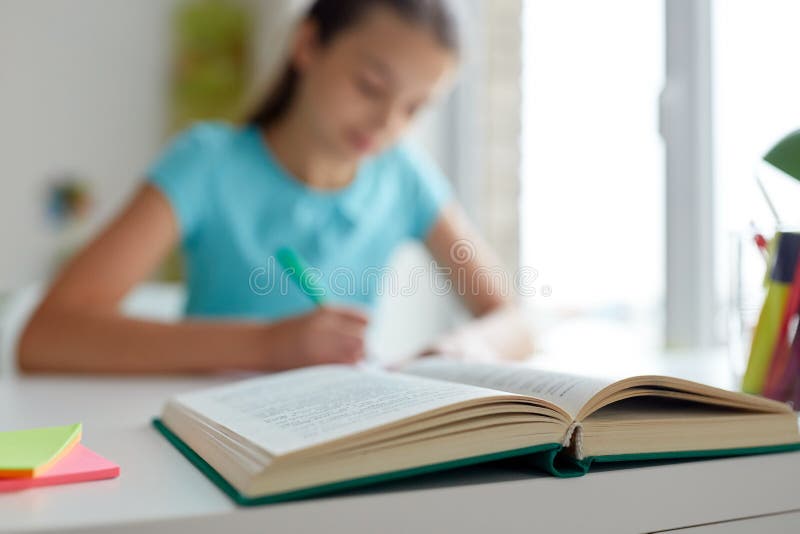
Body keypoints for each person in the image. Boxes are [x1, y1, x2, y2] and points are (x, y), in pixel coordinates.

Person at [18, 0, 533, 374]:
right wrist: (266, 345)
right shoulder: (207, 164)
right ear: (307, 44)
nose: (387, 122)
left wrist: (465, 350)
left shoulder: (405, 177)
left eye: (415, 107)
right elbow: (48, 335)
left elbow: (512, 318)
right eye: (371, 86)